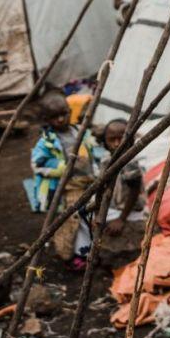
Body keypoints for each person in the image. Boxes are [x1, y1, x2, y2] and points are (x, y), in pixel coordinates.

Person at [31, 92, 97, 270]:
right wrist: (62, 167)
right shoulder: (47, 142)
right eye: (55, 117)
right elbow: (37, 163)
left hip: (87, 182)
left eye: (64, 114)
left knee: (90, 217)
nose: (61, 119)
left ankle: (89, 249)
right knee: (75, 220)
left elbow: (92, 150)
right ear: (46, 119)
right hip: (67, 188)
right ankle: (76, 254)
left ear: (70, 111)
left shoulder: (79, 131)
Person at [99, 118, 144, 238]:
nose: (117, 144)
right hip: (113, 206)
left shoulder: (130, 162)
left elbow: (134, 190)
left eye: (121, 139)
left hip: (128, 211)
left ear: (130, 140)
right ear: (105, 141)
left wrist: (121, 219)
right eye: (112, 139)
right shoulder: (106, 159)